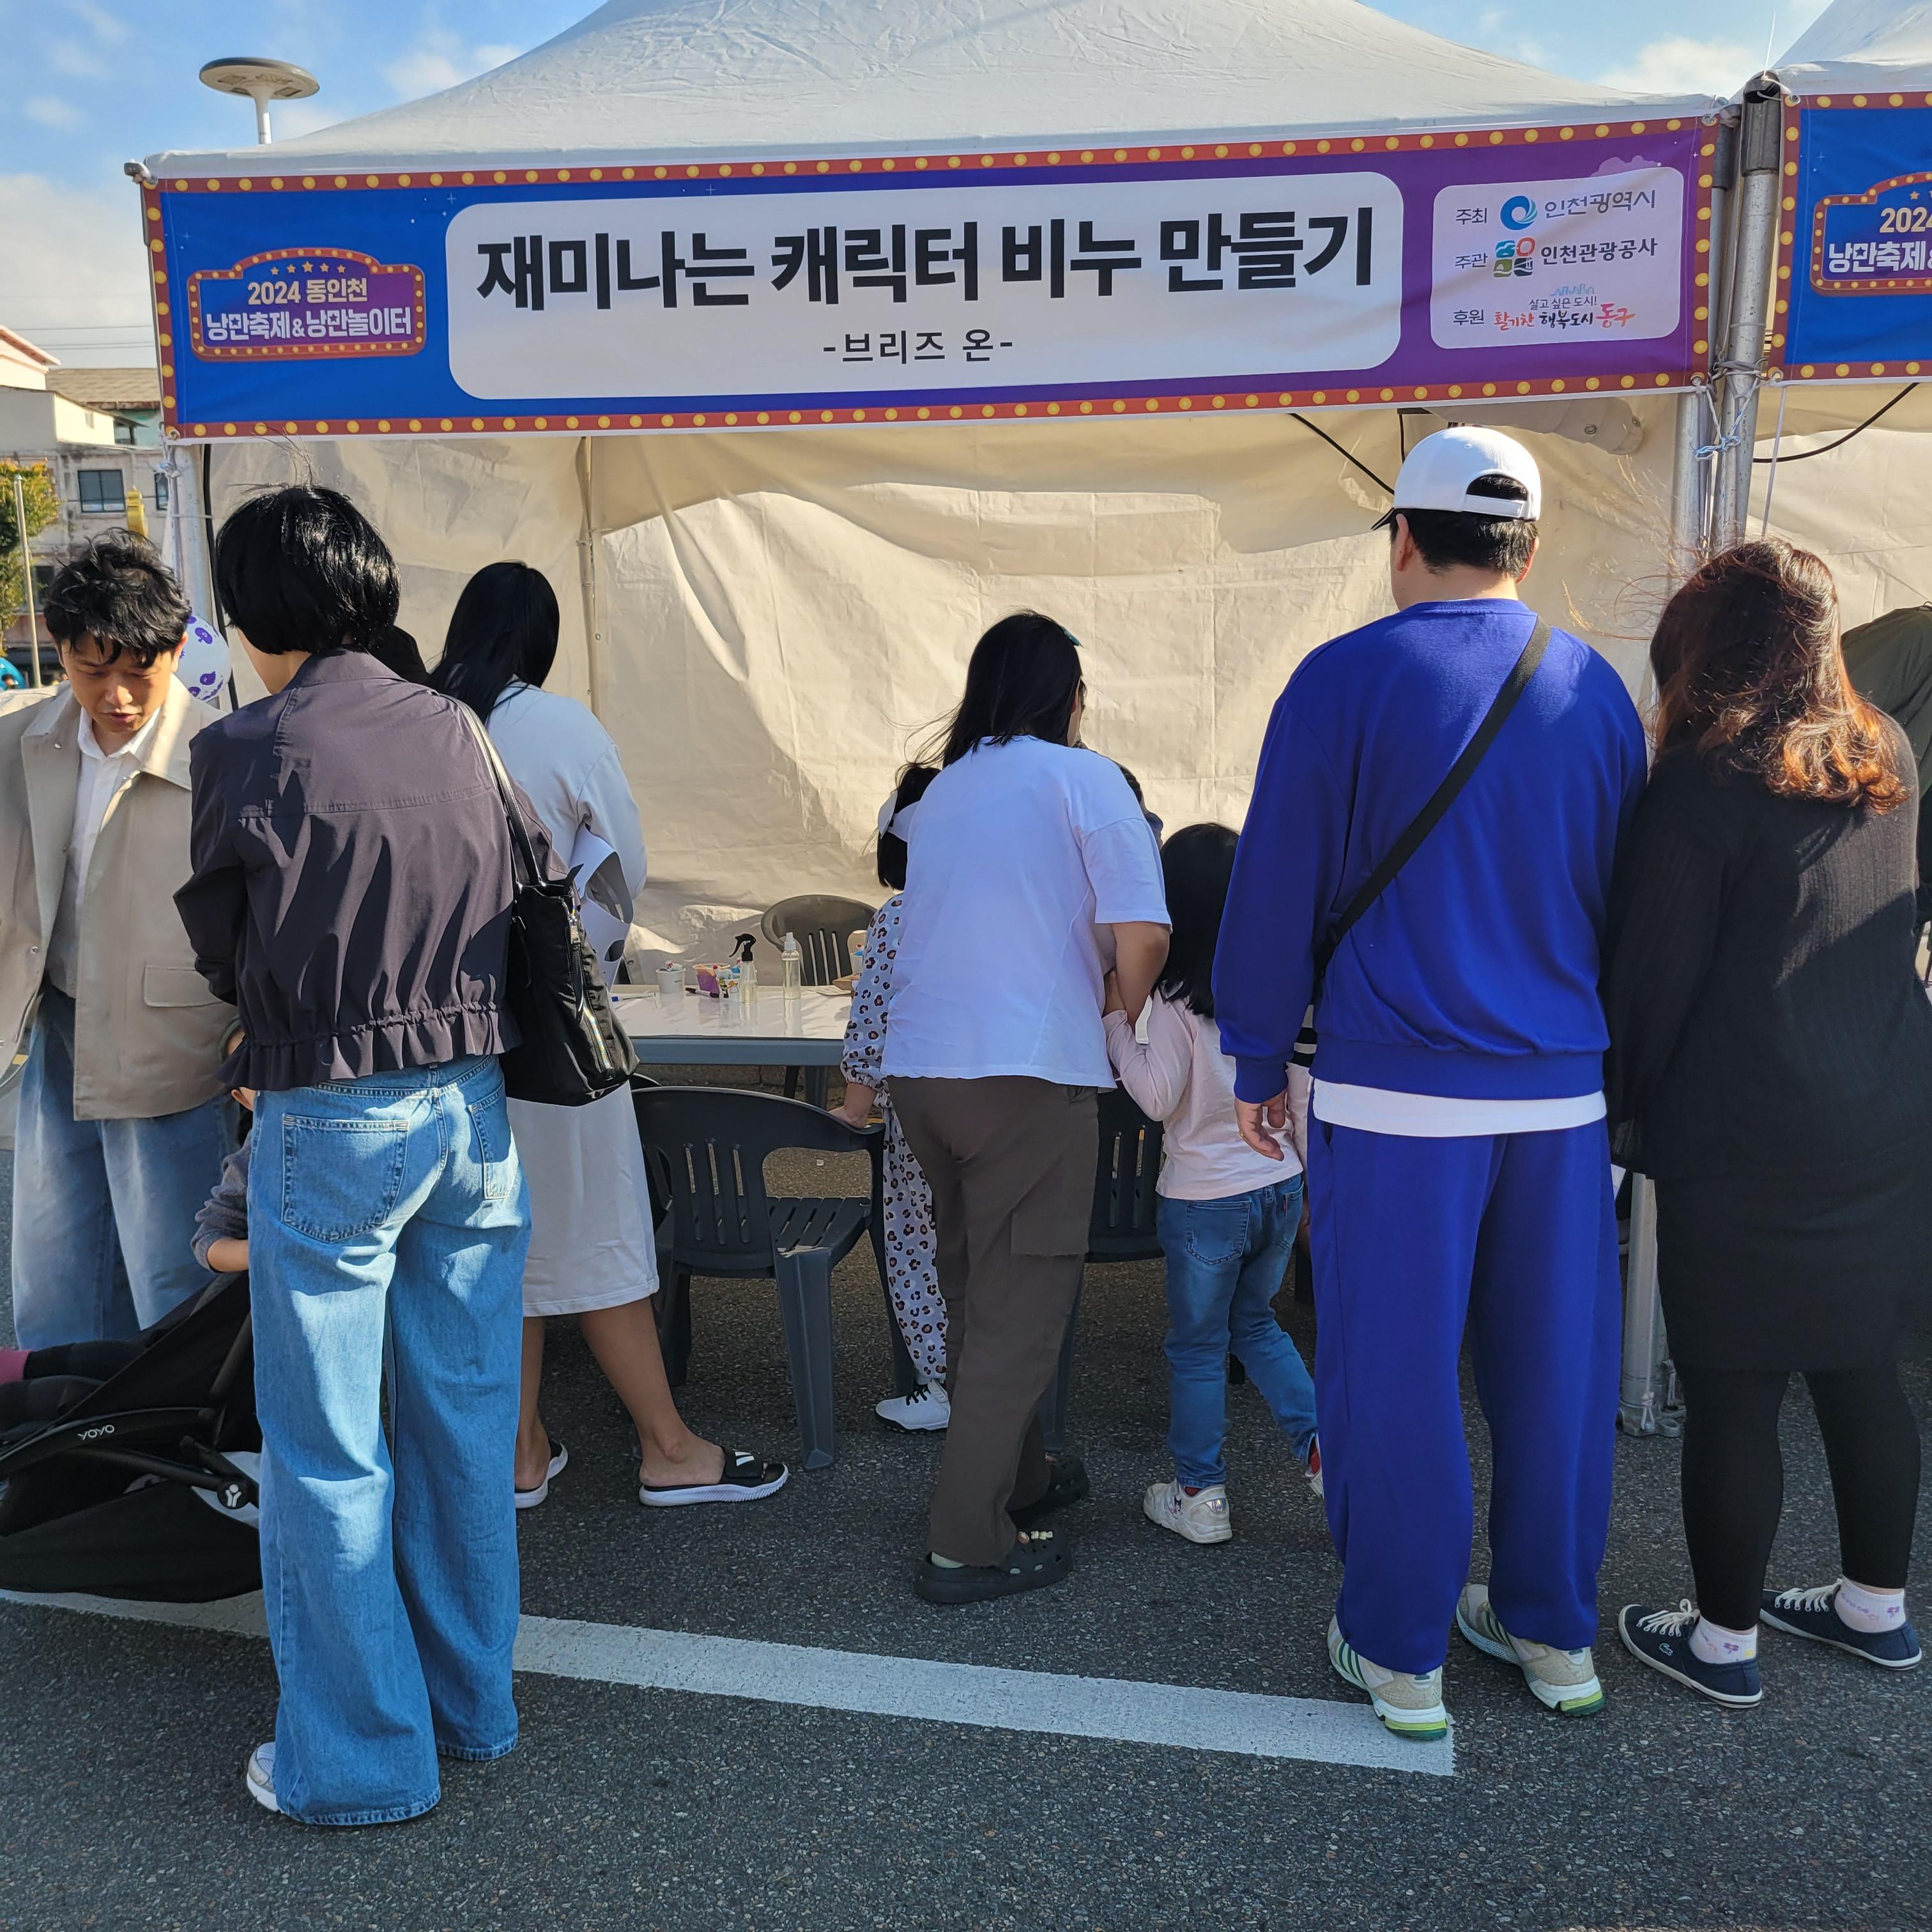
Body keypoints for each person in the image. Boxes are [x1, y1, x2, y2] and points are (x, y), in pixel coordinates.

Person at [1215, 427, 1645, 1739]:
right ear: (1530, 545)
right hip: (1559, 1096)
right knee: (1557, 1372)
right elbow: (1625, 905)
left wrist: (1255, 1056)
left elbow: (1273, 881)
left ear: (1402, 537)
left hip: (1394, 1096)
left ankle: (1399, 1651)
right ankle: (1552, 1632)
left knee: (1393, 1375)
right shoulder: (1595, 689)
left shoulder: (1340, 678)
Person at [175, 486, 533, 1827]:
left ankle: (362, 1762)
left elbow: (224, 948)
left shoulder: (245, 747)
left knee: (329, 1450)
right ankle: (469, 1707)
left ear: (252, 611)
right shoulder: (459, 726)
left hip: (330, 1110)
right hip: (471, 1107)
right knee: (462, 1423)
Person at [1606, 540, 1931, 1705]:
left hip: (1743, 1129)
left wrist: (1613, 1110)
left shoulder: (1704, 785)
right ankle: (1873, 1608)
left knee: (1734, 1390)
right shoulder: (1881, 748)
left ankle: (1723, 1640)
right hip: (1884, 1108)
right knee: (1861, 1368)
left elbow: (1647, 982)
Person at [431, 561, 786, 1510]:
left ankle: (520, 1452)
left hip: (444, 1034)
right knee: (597, 1234)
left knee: (497, 1248)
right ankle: (669, 1448)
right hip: (551, 1023)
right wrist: (592, 949)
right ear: (540, 641)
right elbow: (623, 863)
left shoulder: (420, 716)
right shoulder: (560, 727)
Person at [882, 613, 1170, 1604]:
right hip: (1026, 1078)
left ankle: (1023, 1476)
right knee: (1022, 1308)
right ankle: (968, 1539)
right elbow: (1144, 936)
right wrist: (1111, 1005)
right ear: (1069, 696)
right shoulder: (1083, 778)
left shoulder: (943, 791)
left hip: (925, 1074)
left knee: (977, 1289)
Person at [0, 533, 235, 1349]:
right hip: (56, 1019)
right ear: (58, 648)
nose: (119, 694)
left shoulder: (223, 757)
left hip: (175, 1040)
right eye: (92, 669)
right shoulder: (23, 740)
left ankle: (175, 1421)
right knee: (53, 1266)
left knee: (174, 1270)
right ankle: (68, 1421)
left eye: (141, 669)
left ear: (176, 651)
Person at [1103, 823, 1319, 1545]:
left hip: (1204, 1199)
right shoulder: (1275, 993)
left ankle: (1200, 1495)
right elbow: (1301, 1091)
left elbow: (1156, 1096)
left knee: (1198, 1348)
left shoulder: (1173, 1004)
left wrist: (1116, 1022)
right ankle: (1324, 1449)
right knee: (1255, 1325)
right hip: (1278, 1183)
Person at [836, 763, 949, 1430]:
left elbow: (874, 1019)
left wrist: (856, 1105)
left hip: (923, 1110)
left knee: (921, 1239)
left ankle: (943, 1382)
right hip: (1006, 1098)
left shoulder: (900, 918)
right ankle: (1006, 1382)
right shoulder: (1005, 910)